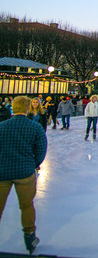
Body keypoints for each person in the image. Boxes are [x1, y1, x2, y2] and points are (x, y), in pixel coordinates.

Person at [0, 96, 47, 254]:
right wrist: (34, 164)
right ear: (28, 108)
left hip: (2, 171)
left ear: (13, 107)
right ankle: (29, 237)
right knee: (26, 205)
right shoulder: (34, 127)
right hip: (25, 172)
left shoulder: (2, 126)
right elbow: (41, 149)